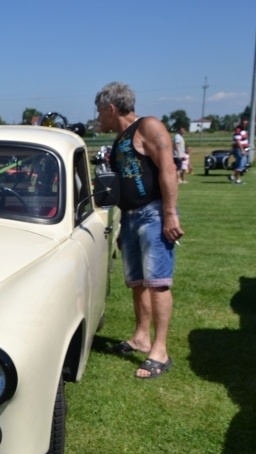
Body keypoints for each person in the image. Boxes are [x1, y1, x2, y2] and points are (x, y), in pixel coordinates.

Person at [95, 82, 184, 379]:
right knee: (138, 283)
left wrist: (170, 214)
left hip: (153, 213)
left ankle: (160, 350)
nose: (97, 118)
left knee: (158, 282)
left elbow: (168, 169)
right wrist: (121, 226)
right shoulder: (121, 138)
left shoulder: (148, 126)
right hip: (131, 218)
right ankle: (141, 337)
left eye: (99, 112)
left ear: (110, 108)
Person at [230, 117, 249, 184]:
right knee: (240, 163)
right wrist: (242, 150)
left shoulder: (244, 130)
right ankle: (237, 179)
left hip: (243, 149)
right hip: (238, 149)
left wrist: (248, 145)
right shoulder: (238, 130)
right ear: (241, 123)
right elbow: (238, 141)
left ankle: (232, 176)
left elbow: (244, 140)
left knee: (243, 164)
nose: (245, 124)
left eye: (246, 123)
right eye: (243, 123)